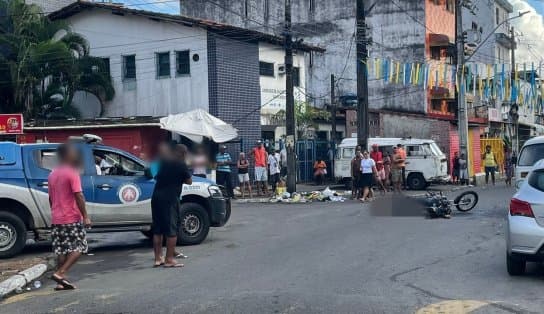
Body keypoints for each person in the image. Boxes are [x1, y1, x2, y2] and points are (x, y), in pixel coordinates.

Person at [48, 143, 91, 290]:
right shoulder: (72, 172)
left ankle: (61, 283)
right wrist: (85, 216)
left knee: (62, 250)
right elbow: (78, 195)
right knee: (80, 246)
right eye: (73, 152)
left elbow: (51, 198)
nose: (75, 155)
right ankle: (61, 273)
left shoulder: (52, 174)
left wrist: (54, 211)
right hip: (70, 217)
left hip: (56, 218)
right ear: (67, 155)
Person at [151, 143, 192, 268]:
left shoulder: (164, 162)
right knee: (171, 230)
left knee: (158, 230)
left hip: (156, 197)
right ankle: (169, 259)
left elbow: (157, 176)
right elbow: (189, 181)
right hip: (170, 199)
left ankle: (158, 258)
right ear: (183, 154)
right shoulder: (181, 164)